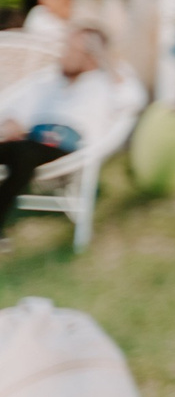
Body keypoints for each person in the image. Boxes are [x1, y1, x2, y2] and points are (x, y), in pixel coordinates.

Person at [0, 26, 143, 246]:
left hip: (66, 146)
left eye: (71, 49)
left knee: (24, 153)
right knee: (22, 150)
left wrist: (105, 59)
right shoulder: (47, 82)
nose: (63, 54)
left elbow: (134, 100)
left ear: (91, 55)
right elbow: (16, 114)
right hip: (30, 139)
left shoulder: (105, 83)